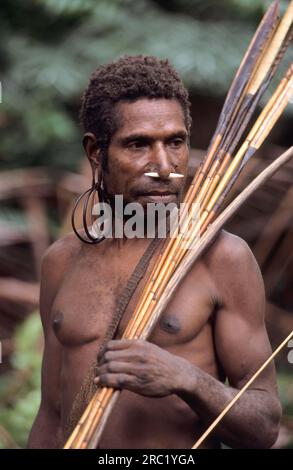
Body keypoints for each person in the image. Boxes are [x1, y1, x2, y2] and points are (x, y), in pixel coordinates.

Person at [28, 55, 281, 449]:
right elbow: (51, 415)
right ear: (97, 153)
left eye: (175, 142)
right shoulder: (62, 261)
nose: (165, 166)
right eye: (139, 144)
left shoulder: (221, 258)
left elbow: (264, 426)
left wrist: (187, 379)